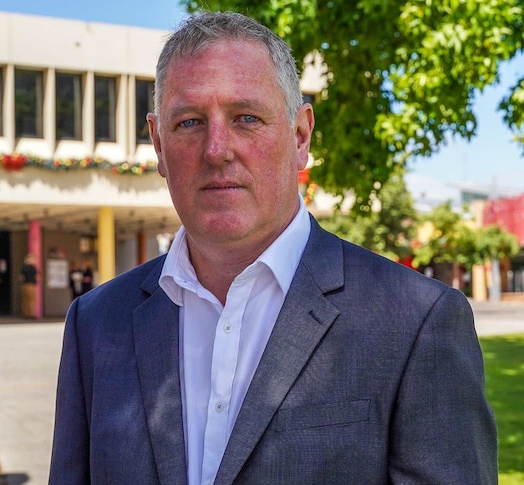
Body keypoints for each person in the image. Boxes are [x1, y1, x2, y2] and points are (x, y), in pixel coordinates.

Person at [49, 11, 497, 484]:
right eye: (189, 123)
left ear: (300, 136)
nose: (216, 148)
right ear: (158, 144)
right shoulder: (96, 325)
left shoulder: (415, 321)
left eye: (247, 118)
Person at [19, 253, 38, 318]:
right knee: (31, 300)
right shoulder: (33, 268)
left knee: (25, 300)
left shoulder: (23, 268)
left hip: (25, 285)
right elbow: (37, 277)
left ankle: (25, 314)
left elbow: (21, 277)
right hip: (31, 285)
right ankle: (30, 314)